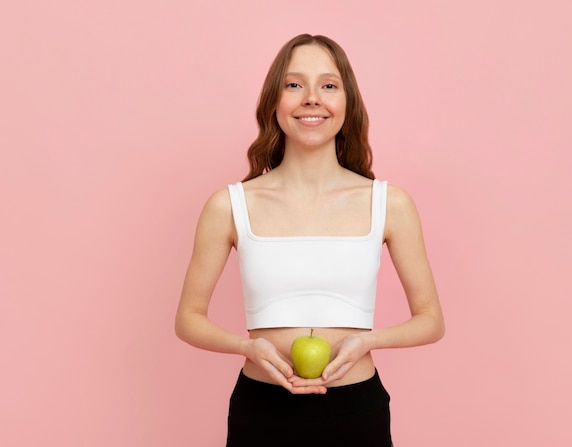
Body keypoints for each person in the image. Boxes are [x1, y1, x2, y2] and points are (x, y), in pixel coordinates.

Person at [175, 33, 445, 446]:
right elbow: (188, 319)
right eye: (294, 84)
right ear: (274, 103)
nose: (312, 98)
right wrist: (248, 348)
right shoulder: (229, 205)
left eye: (329, 85)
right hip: (261, 412)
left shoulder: (389, 203)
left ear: (346, 103)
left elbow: (431, 320)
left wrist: (367, 341)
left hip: (357, 411)